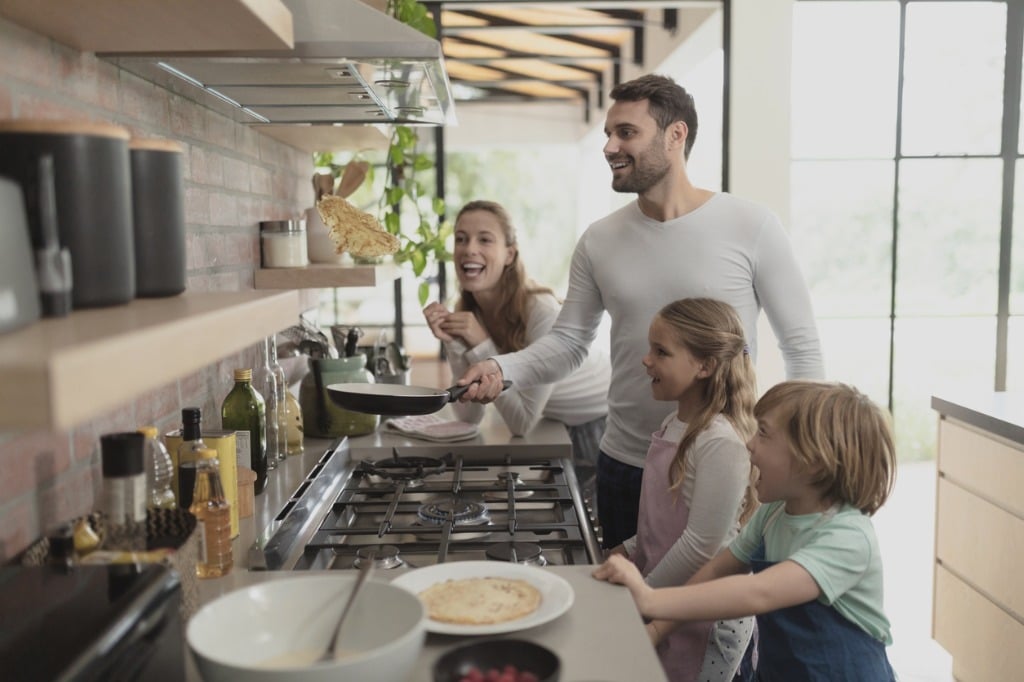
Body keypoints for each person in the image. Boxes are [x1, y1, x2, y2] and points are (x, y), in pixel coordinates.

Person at [452, 73, 824, 549]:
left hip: (725, 463)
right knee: (626, 611)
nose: (609, 146)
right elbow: (568, 344)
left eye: (626, 132)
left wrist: (801, 448)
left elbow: (801, 345)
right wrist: (500, 368)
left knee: (718, 617)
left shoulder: (750, 225)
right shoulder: (599, 240)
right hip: (626, 462)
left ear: (675, 136)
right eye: (609, 133)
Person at [593, 380, 898, 681]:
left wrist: (649, 598)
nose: (750, 443)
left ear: (814, 461)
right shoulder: (773, 513)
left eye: (763, 433)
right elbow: (716, 570)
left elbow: (760, 592)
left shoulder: (848, 538)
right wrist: (659, 626)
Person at [423, 200, 611, 501]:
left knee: (593, 535)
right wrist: (454, 341)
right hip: (556, 421)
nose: (469, 248)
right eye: (461, 239)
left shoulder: (540, 311)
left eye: (484, 239)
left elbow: (521, 423)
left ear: (510, 254)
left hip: (598, 424)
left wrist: (482, 344)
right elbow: (468, 416)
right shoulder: (472, 311)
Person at [612, 297, 759, 682]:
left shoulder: (719, 442)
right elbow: (661, 519)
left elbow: (701, 544)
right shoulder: (672, 424)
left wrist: (644, 595)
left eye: (661, 352)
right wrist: (626, 550)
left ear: (705, 367)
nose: (646, 360)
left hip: (705, 617)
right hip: (668, 598)